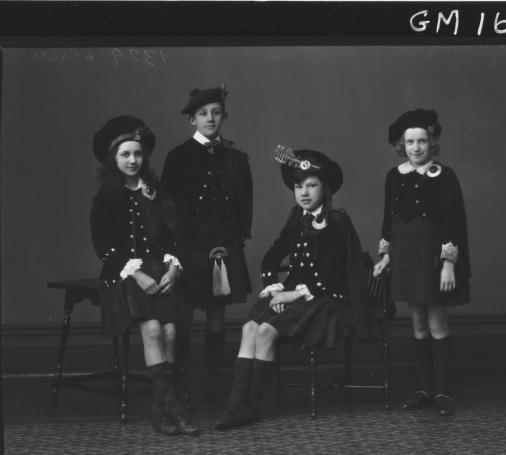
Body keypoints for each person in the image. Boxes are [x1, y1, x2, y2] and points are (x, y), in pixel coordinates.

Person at [214, 148, 375, 430]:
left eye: (311, 185)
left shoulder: (337, 220)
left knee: (264, 332)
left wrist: (293, 294)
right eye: (298, 186)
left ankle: (250, 405)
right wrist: (274, 288)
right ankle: (236, 406)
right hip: (291, 294)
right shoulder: (296, 217)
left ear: (325, 188)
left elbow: (335, 275)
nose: (304, 192)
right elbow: (271, 258)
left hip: (324, 300)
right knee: (248, 329)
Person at [90, 115, 199, 436]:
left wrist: (174, 268)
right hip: (125, 275)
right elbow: (104, 248)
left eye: (137, 154)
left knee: (169, 334)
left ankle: (160, 410)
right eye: (125, 154)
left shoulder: (156, 191)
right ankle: (176, 409)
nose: (132, 160)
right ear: (114, 158)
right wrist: (136, 275)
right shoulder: (107, 198)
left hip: (160, 270)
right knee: (152, 331)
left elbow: (174, 236)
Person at [373, 109, 470, 417]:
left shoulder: (444, 176)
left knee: (436, 321)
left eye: (422, 141)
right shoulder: (393, 176)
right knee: (417, 323)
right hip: (405, 253)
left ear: (432, 142)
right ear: (402, 145)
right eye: (410, 142)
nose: (416, 148)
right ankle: (424, 389)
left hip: (432, 256)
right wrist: (386, 255)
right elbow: (388, 219)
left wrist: (448, 264)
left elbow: (452, 222)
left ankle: (442, 391)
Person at [161, 86, 253, 407]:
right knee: (183, 318)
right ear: (192, 119)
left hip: (223, 246)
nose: (210, 118)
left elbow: (244, 206)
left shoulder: (236, 159)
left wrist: (232, 240)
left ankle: (213, 385)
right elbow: (167, 207)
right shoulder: (178, 156)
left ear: (224, 116)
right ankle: (179, 386)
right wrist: (179, 248)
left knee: (216, 319)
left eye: (216, 112)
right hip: (187, 246)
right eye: (203, 113)